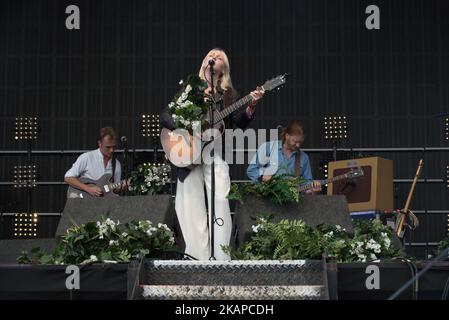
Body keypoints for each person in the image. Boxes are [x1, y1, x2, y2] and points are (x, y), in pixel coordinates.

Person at [160, 48, 264, 260]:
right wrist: (186, 128)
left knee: (221, 199)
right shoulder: (190, 90)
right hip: (189, 152)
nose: (214, 58)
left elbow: (237, 125)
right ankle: (195, 256)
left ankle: (221, 256)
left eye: (219, 58)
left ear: (223, 68)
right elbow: (165, 115)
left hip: (215, 152)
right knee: (189, 203)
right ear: (204, 62)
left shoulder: (229, 95)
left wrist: (251, 105)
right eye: (211, 55)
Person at [247, 120, 321, 193]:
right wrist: (262, 176)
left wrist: (312, 188)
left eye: (300, 142)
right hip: (268, 198)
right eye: (295, 141)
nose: (298, 145)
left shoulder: (304, 157)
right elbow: (251, 170)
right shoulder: (268, 148)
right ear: (287, 136)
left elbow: (306, 183)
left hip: (294, 202)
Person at [65, 127, 126, 197]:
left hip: (103, 204)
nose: (112, 150)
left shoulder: (116, 164)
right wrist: (88, 189)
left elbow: (114, 190)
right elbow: (68, 177)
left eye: (114, 147)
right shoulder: (87, 157)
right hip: (84, 201)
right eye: (108, 147)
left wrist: (120, 188)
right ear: (100, 143)